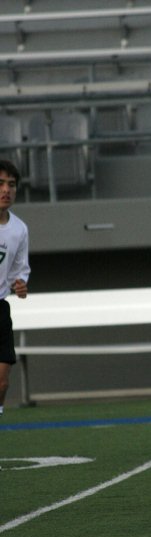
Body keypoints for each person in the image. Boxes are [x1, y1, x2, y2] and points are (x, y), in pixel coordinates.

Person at [0, 159, 30, 416]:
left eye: (11, 184)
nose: (6, 190)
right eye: (0, 183)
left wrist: (21, 284)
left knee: (2, 382)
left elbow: (19, 270)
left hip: (0, 310)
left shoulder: (19, 230)